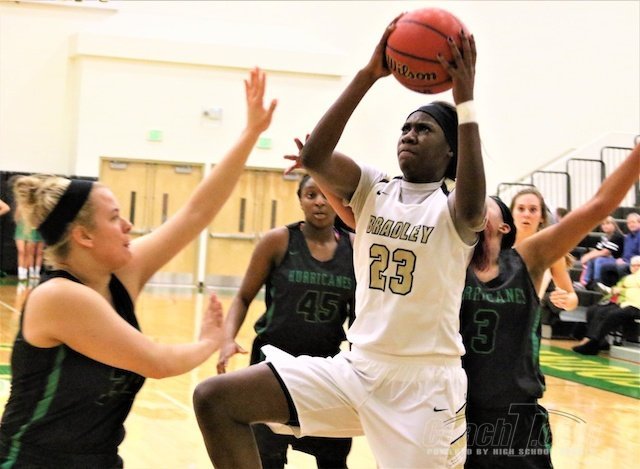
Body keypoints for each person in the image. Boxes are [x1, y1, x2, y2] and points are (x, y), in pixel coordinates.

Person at [194, 17, 486, 468]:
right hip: (358, 370)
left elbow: (472, 202)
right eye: (405, 128)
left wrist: (465, 100)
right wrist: (369, 73)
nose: (409, 135)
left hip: (425, 387)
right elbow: (314, 156)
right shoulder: (375, 187)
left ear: (451, 151)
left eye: (424, 129)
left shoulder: (453, 209)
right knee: (215, 398)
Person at [0, 67, 277, 468]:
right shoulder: (59, 297)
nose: (129, 225)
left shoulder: (119, 276)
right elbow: (157, 362)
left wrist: (250, 134)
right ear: (84, 236)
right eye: (115, 218)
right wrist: (209, 341)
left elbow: (196, 213)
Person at [460, 145, 639, 468]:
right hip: (460, 410)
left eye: (488, 208)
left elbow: (599, 206)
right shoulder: (452, 262)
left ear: (503, 227)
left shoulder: (529, 258)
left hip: (517, 408)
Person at [216, 174, 356, 469]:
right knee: (268, 458)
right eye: (311, 195)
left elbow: (360, 317)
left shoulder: (355, 248)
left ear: (339, 201)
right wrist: (227, 339)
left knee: (333, 459)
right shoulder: (278, 241)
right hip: (272, 367)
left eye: (326, 195)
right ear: (300, 200)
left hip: (325, 369)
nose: (319, 202)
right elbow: (243, 297)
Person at [509, 188, 578, 312]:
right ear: (511, 213)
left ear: (542, 217)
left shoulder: (550, 251)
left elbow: (572, 297)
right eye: (521, 208)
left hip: (527, 319)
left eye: (533, 210)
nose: (526, 214)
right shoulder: (496, 244)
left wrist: (566, 300)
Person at [572, 255, 640, 355]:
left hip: (635, 305)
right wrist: (613, 291)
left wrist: (622, 290)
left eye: (638, 265)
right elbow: (617, 289)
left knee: (612, 314)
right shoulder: (627, 278)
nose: (635, 268)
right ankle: (595, 340)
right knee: (594, 310)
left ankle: (594, 342)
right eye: (633, 265)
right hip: (623, 302)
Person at [579, 216, 625, 289]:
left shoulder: (617, 236)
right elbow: (597, 250)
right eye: (603, 224)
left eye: (608, 223)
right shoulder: (606, 237)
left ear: (614, 225)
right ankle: (585, 282)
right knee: (592, 259)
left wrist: (588, 256)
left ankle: (598, 282)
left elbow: (606, 252)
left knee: (599, 260)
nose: (605, 226)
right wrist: (586, 256)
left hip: (618, 260)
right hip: (608, 259)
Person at [599, 212, 640, 286]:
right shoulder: (628, 237)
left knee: (621, 267)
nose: (631, 225)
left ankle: (624, 287)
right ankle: (610, 288)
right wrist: (621, 259)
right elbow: (625, 252)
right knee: (605, 267)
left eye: (633, 222)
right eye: (629, 223)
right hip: (625, 261)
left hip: (635, 263)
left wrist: (628, 262)